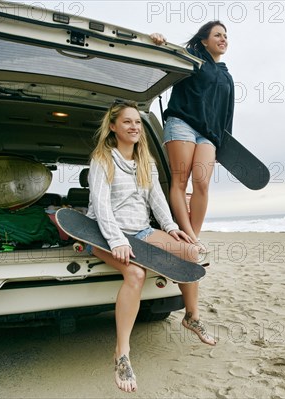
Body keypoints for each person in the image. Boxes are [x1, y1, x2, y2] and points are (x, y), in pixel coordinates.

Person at [86, 100, 216, 393]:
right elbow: (101, 206)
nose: (134, 127)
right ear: (113, 127)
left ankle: (192, 317)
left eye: (137, 122)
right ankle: (121, 353)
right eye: (127, 122)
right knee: (136, 275)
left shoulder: (147, 162)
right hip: (105, 234)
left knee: (192, 253)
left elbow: (157, 200)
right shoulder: (102, 160)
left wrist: (172, 229)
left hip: (142, 232)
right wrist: (117, 240)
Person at [150, 21, 234, 253]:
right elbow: (167, 55)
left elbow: (227, 113)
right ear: (204, 40)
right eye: (217, 35)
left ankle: (192, 238)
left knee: (202, 183)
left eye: (225, 36)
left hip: (209, 135)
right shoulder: (192, 58)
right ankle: (189, 236)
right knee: (180, 181)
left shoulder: (227, 76)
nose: (223, 39)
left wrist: (224, 144)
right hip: (182, 124)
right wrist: (159, 40)